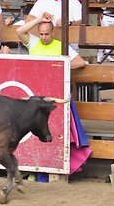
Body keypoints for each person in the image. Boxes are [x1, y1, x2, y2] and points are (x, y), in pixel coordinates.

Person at [16, 11, 89, 175]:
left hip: (54, 98)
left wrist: (58, 65)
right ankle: (35, 171)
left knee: (55, 133)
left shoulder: (60, 45)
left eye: (47, 34)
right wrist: (39, 20)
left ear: (53, 33)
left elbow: (79, 63)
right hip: (35, 98)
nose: (43, 37)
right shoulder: (33, 42)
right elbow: (19, 32)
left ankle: (55, 170)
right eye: (41, 34)